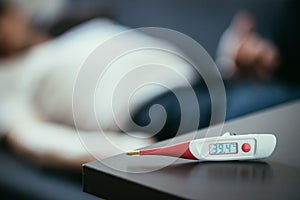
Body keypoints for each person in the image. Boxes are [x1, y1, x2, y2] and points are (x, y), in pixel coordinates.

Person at [0, 1, 198, 169]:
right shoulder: (9, 79)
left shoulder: (70, 27)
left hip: (200, 81)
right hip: (156, 107)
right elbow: (32, 137)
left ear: (17, 15)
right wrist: (122, 151)